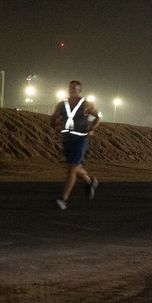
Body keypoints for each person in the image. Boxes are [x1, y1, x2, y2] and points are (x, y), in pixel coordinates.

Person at [49, 80, 100, 210]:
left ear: (80, 90)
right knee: (75, 167)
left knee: (72, 168)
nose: (72, 90)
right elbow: (53, 119)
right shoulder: (62, 104)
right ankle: (90, 182)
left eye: (74, 88)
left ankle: (63, 199)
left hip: (81, 139)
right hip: (67, 139)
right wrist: (55, 121)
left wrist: (92, 129)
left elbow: (98, 117)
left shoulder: (86, 104)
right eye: (70, 88)